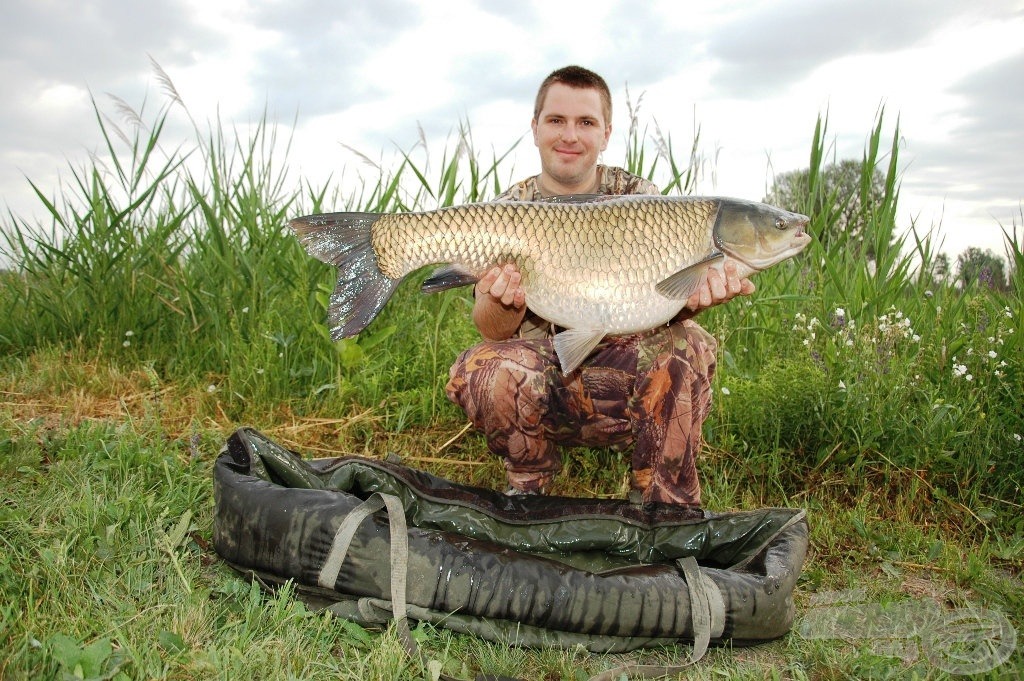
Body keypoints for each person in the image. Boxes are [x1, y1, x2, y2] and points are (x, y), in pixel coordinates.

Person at [445, 66, 753, 506]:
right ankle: (528, 487)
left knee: (690, 344)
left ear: (605, 133)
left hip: (626, 379)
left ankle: (662, 499)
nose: (570, 135)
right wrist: (502, 299)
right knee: (481, 368)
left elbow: (659, 304)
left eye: (585, 122)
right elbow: (492, 330)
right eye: (556, 120)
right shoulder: (507, 213)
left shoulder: (646, 203)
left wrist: (697, 299)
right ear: (534, 129)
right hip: (546, 383)